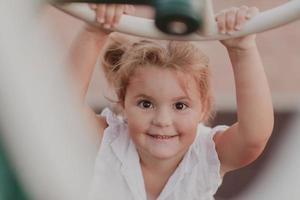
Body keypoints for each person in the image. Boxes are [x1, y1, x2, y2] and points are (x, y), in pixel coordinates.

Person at [69, 4, 274, 200]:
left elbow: (253, 137)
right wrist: (93, 33)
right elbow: (61, 111)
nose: (162, 120)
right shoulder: (109, 142)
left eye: (180, 106)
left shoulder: (205, 153)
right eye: (146, 104)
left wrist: (242, 51)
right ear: (123, 103)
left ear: (204, 109)